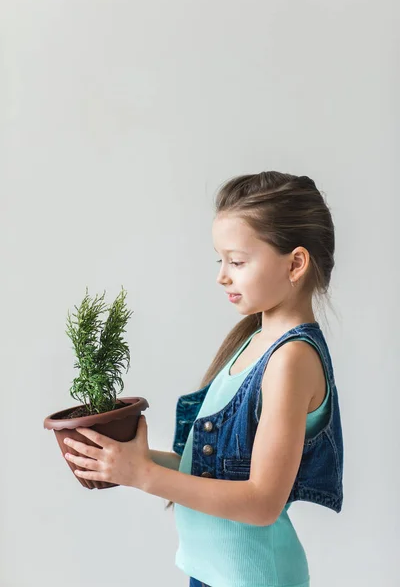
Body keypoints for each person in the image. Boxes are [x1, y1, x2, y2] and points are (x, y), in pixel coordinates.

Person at [64, 171, 344, 587]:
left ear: (296, 263)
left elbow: (262, 502)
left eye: (237, 261)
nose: (222, 276)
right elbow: (214, 474)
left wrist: (143, 475)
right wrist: (131, 461)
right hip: (211, 574)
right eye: (221, 260)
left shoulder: (291, 360)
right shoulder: (252, 343)